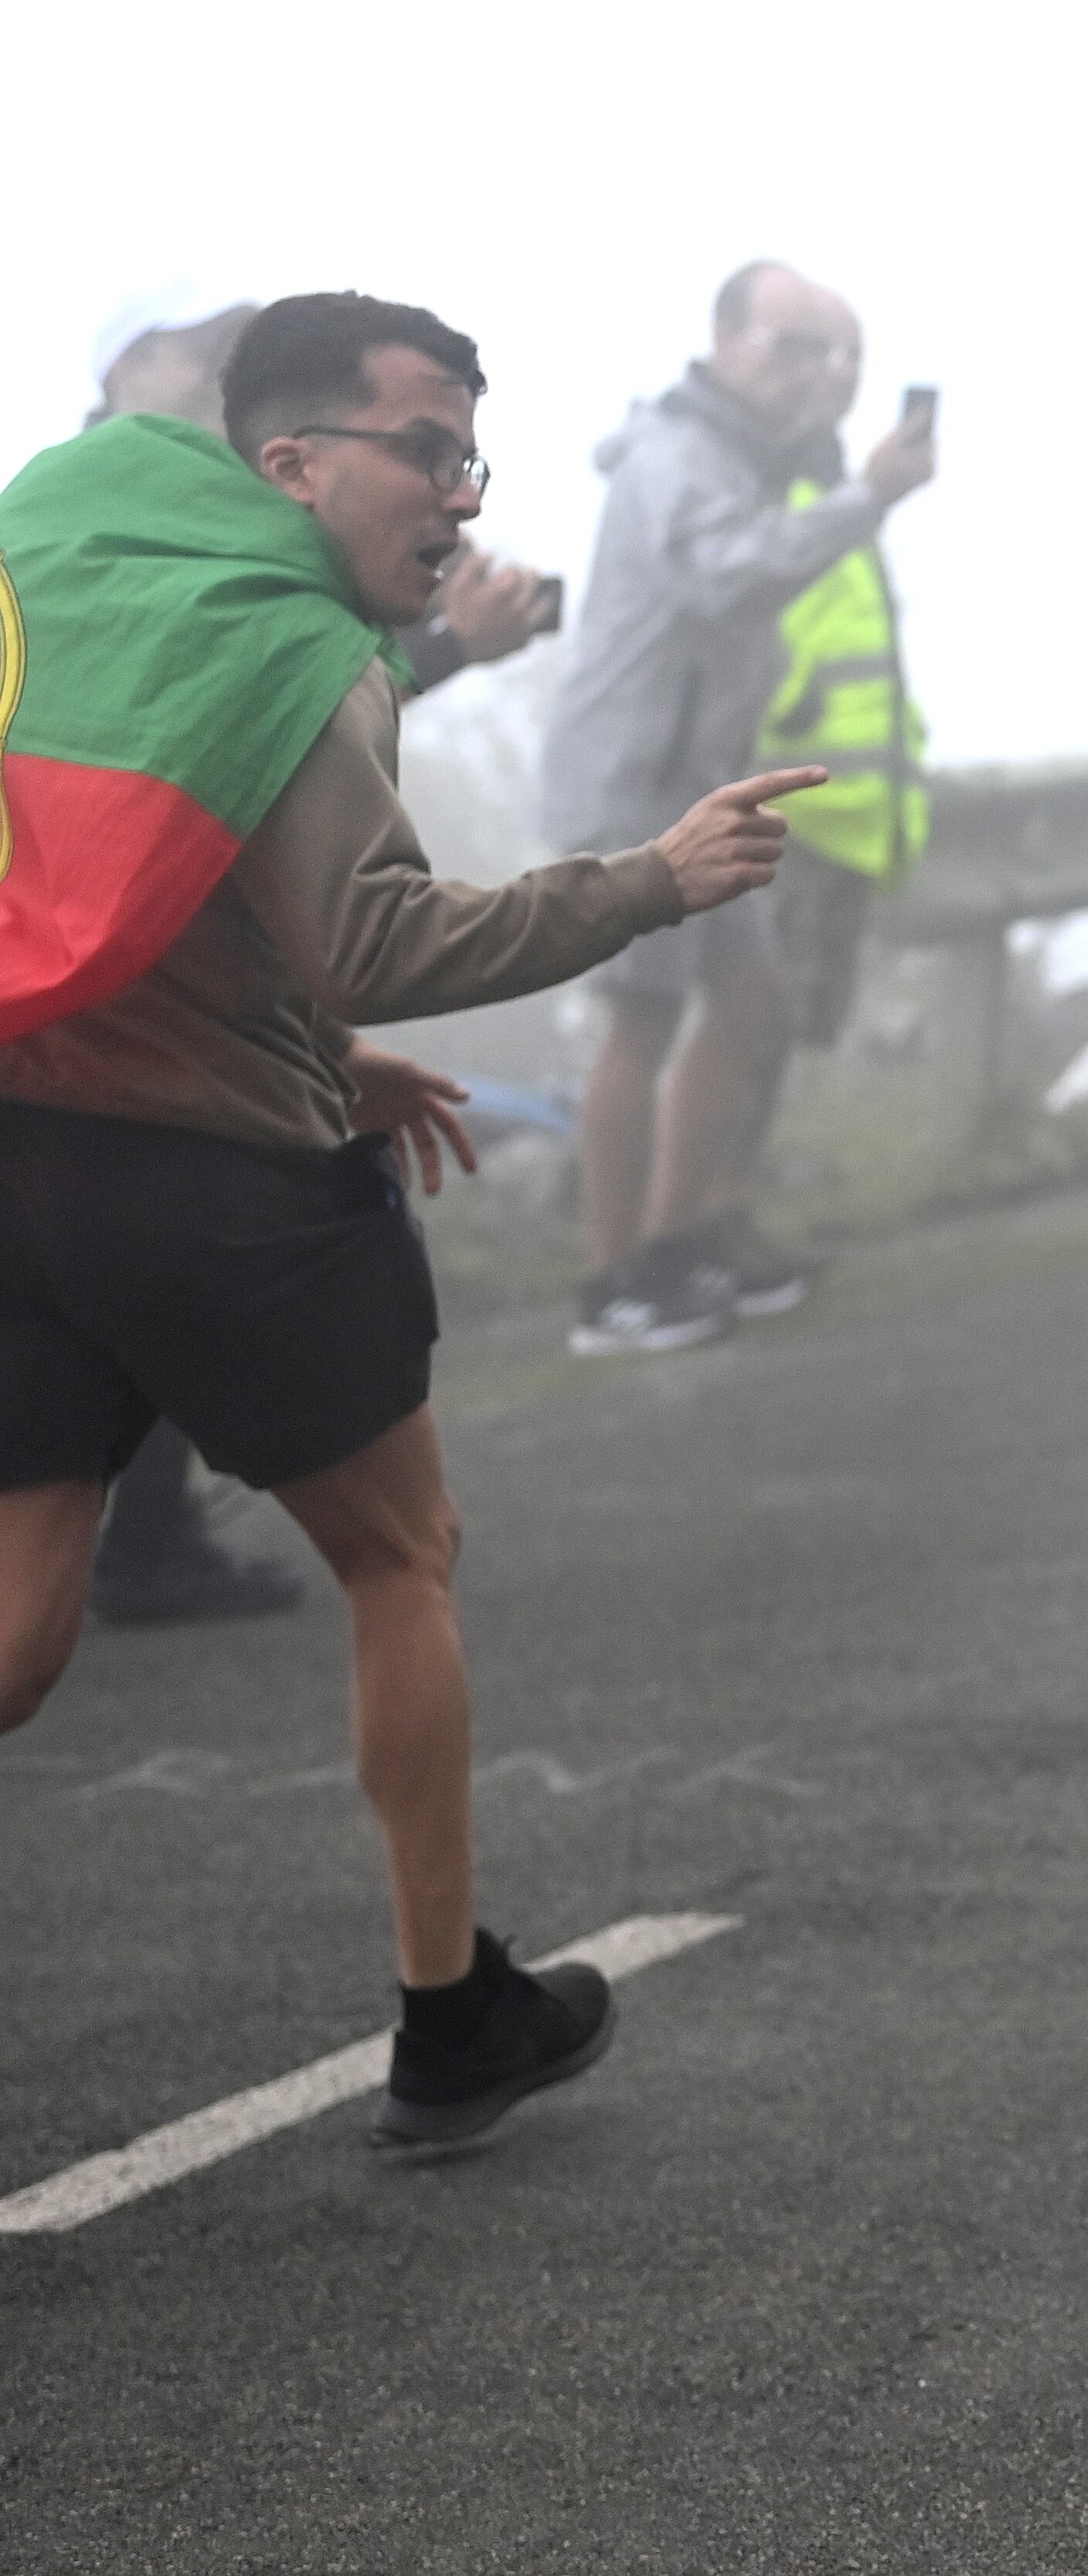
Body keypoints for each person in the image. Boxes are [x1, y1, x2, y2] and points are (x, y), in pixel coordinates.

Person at [0, 292, 810, 2141]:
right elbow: (369, 929)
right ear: (292, 463)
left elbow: (113, 872)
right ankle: (453, 2015)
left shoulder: (76, 548)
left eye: (471, 453)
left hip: (26, 1155)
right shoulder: (298, 645)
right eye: (425, 448)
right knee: (399, 1554)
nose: (460, 494)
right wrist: (649, 881)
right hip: (223, 1196)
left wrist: (321, 1047)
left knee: (21, 1633)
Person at [79, 287, 557, 1629]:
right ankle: (140, 1537)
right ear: (133, 388)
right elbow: (258, 705)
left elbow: (273, 714)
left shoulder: (97, 527)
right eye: (198, 384)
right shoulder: (125, 541)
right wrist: (457, 642)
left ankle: (143, 1534)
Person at [544, 260, 933, 1355]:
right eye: (792, 348)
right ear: (723, 341)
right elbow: (728, 577)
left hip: (700, 774)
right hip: (634, 781)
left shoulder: (752, 457)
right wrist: (870, 497)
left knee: (751, 1003)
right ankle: (609, 1284)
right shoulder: (679, 457)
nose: (820, 374)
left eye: (837, 354)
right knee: (644, 1019)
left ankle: (687, 1242)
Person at [750, 450, 930, 1052]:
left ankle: (759, 1149)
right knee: (752, 1029)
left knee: (800, 1036)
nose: (835, 373)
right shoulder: (771, 492)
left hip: (851, 814)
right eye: (814, 352)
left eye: (848, 355)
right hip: (790, 814)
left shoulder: (844, 501)